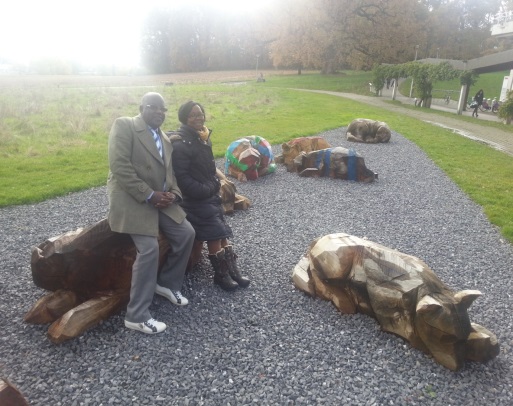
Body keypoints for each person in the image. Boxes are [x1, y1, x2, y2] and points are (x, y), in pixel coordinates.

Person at [107, 92, 195, 334]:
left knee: (186, 233)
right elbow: (119, 166)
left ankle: (166, 283)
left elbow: (170, 174)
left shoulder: (164, 138)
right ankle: (136, 315)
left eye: (162, 109)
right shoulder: (125, 125)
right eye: (153, 107)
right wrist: (149, 194)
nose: (159, 112)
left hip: (159, 198)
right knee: (149, 249)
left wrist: (174, 194)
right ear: (141, 108)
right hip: (132, 198)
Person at [170, 101, 250, 291]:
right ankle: (220, 276)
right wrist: (207, 189)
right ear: (184, 118)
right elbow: (182, 178)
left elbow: (209, 168)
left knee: (222, 232)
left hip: (208, 195)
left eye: (200, 114)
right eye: (193, 115)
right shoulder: (181, 144)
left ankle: (232, 270)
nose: (198, 118)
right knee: (215, 233)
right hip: (193, 199)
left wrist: (215, 184)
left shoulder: (203, 138)